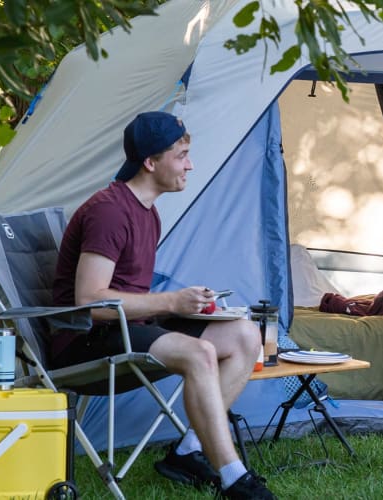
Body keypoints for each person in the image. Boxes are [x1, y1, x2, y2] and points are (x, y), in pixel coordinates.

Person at [50, 111, 276, 499]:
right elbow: (89, 302)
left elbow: (127, 295)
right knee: (199, 352)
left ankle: (188, 451)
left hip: (124, 328)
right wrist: (171, 300)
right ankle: (235, 479)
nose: (190, 164)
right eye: (182, 155)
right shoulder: (109, 211)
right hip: (85, 340)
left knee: (244, 336)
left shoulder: (147, 213)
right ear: (150, 162)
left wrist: (184, 306)